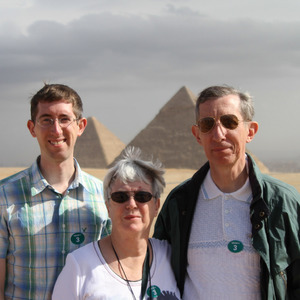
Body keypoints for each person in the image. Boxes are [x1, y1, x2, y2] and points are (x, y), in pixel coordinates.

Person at [154, 85, 300, 299]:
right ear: (197, 135)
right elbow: (158, 275)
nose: (218, 134)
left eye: (229, 122)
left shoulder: (283, 202)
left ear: (250, 131)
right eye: (207, 124)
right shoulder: (178, 203)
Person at [0, 83, 111, 300]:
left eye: (64, 119)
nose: (56, 130)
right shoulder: (4, 196)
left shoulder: (106, 197)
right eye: (46, 120)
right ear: (32, 128)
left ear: (81, 126)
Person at [52, 147, 180, 300]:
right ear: (108, 206)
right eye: (120, 197)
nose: (131, 204)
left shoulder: (173, 256)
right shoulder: (80, 266)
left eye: (142, 196)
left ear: (156, 205)